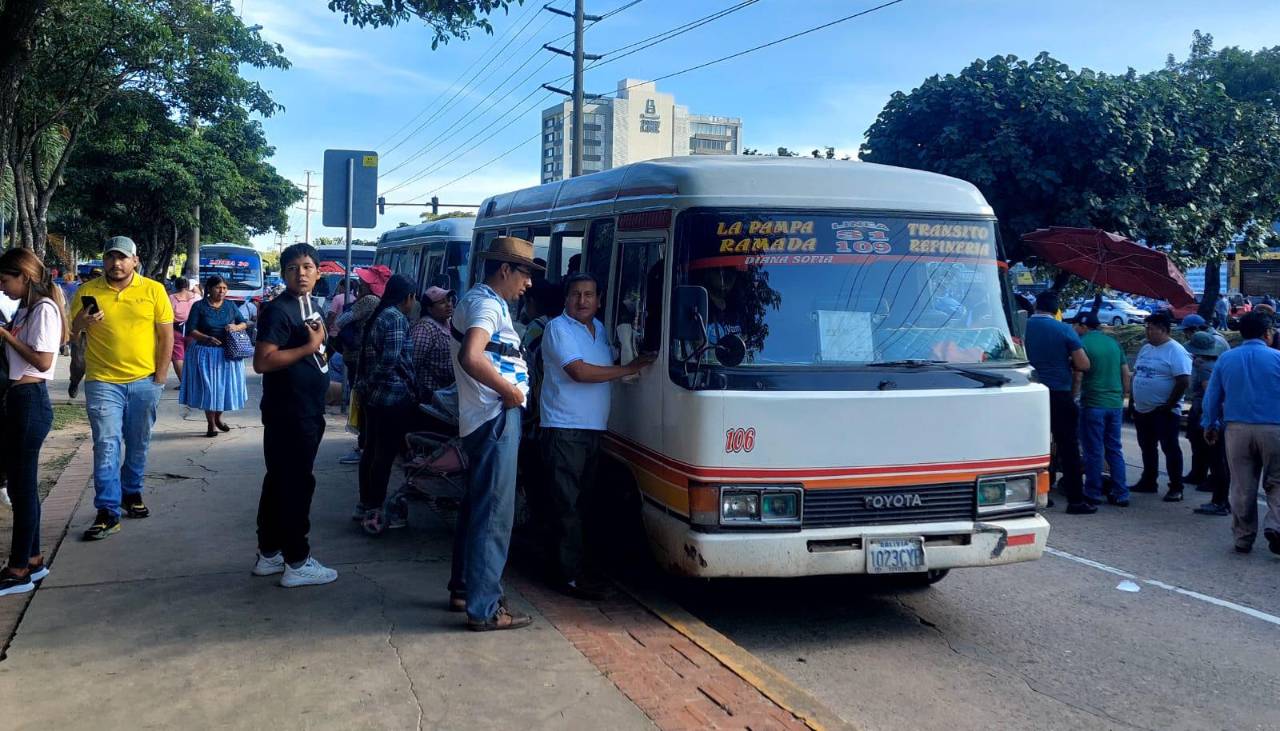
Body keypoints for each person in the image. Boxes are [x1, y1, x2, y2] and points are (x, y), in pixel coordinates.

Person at [539, 274, 654, 598]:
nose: (582, 301)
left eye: (589, 295)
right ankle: (566, 577)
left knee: (584, 503)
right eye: (576, 294)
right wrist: (629, 368)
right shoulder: (557, 329)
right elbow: (579, 371)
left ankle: (573, 569)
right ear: (566, 298)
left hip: (592, 429)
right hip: (564, 428)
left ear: (599, 300)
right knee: (567, 505)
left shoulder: (600, 329)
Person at [449, 236, 540, 631]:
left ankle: (464, 588)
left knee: (477, 507)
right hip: (495, 418)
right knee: (494, 515)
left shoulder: (480, 300)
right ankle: (485, 610)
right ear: (505, 270)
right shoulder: (487, 305)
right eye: (525, 274)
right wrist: (509, 391)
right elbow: (472, 355)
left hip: (483, 417)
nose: (529, 284)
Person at [70, 237, 174, 540]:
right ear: (103, 261)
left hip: (144, 381)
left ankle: (132, 492)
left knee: (138, 442)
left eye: (122, 258)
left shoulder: (153, 290)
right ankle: (107, 510)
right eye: (110, 257)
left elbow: (165, 336)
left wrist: (160, 378)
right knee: (106, 444)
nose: (116, 264)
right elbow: (73, 333)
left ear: (135, 261)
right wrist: (83, 319)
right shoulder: (88, 291)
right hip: (103, 381)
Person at [251, 243, 336, 587]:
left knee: (279, 482)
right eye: (292, 268)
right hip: (290, 413)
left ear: (318, 272)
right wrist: (307, 348)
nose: (300, 273)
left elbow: (318, 352)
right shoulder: (279, 310)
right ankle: (297, 562)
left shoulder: (310, 306)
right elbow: (263, 361)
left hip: (306, 408)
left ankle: (270, 554)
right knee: (297, 485)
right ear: (283, 273)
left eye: (307, 266)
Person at [0, 249, 68, 597]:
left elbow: (42, 361)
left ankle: (18, 569)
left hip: (30, 401)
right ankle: (35, 559)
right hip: (19, 400)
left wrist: (6, 335)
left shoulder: (43, 309)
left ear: (24, 276)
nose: (2, 287)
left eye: (5, 280)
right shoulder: (27, 309)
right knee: (21, 486)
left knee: (22, 489)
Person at [1202, 311, 1280, 555]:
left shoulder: (1226, 359)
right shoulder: (1278, 358)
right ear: (1267, 333)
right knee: (1277, 482)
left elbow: (1212, 396)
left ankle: (1243, 538)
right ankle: (1276, 526)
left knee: (1242, 485)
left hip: (1236, 430)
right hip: (1274, 429)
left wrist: (1210, 424)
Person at [354, 274, 418, 534]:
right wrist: (373, 383)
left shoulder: (379, 314)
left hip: (375, 397)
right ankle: (375, 506)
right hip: (391, 396)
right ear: (409, 297)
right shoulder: (395, 317)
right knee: (383, 454)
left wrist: (367, 387)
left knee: (371, 451)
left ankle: (366, 503)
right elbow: (390, 360)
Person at [1024, 291, 1094, 514]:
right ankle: (1076, 500)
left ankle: (1035, 494)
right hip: (1058, 394)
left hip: (1027, 394)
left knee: (1031, 447)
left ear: (1036, 306)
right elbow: (1083, 364)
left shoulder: (1019, 327)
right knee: (1068, 447)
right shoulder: (1064, 330)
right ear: (1056, 310)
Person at [1130, 312, 1192, 501]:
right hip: (1142, 409)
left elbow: (1183, 380)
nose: (1147, 332)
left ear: (1163, 330)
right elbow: (1136, 374)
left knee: (1170, 448)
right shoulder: (1146, 349)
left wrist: (1169, 405)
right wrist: (1133, 400)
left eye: (1151, 328)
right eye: (1146, 328)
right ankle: (1149, 480)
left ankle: (1176, 486)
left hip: (1163, 410)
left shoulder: (1175, 350)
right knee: (1147, 447)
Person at [1071, 312, 1131, 507]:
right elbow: (1126, 374)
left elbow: (1078, 376)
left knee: (1093, 450)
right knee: (1114, 448)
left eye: (1075, 325)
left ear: (1082, 325)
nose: (1073, 329)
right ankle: (1121, 493)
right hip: (1115, 404)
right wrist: (1123, 397)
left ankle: (1093, 493)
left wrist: (1074, 398)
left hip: (1093, 403)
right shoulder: (1113, 343)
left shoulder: (1081, 344)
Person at [181, 275, 250, 438]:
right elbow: (191, 329)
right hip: (205, 353)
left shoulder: (230, 305)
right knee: (210, 390)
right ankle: (211, 424)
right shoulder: (199, 306)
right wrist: (206, 338)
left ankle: (218, 418)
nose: (222, 291)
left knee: (224, 389)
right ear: (209, 289)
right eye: (218, 288)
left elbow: (244, 323)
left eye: (225, 288)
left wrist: (235, 326)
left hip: (228, 353)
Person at [335, 266, 390, 465]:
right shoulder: (380, 302)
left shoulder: (369, 301)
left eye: (365, 282)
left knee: (360, 402)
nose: (361, 285)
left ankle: (362, 446)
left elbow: (342, 320)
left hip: (357, 356)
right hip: (361, 356)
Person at [1183, 331, 1232, 516]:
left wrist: (1209, 422)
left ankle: (1219, 501)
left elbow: (1210, 395)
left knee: (1216, 459)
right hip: (1222, 416)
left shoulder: (1204, 367)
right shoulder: (1216, 364)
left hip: (1209, 415)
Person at [409, 285, 456, 404]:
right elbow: (412, 364)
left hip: (444, 394)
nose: (449, 304)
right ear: (429, 309)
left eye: (450, 300)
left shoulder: (448, 323)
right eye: (442, 303)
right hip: (429, 396)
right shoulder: (425, 328)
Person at [168, 278, 198, 383]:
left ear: (176, 285)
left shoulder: (171, 298)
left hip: (176, 330)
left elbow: (168, 316)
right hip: (194, 330)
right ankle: (193, 382)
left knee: (177, 357)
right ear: (188, 285)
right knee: (193, 356)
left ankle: (184, 383)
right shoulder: (197, 297)